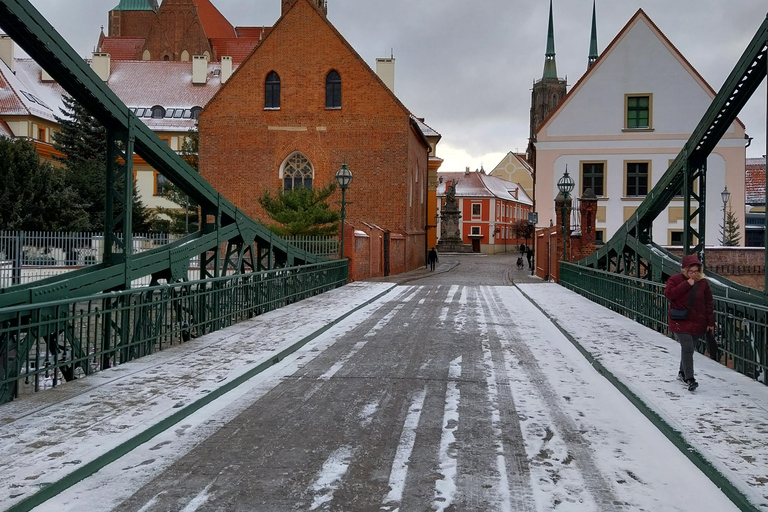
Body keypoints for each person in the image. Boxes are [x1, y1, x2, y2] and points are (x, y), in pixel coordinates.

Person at [664, 254, 714, 392]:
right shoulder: (675, 279)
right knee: (687, 346)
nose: (694, 274)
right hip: (680, 320)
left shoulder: (703, 283)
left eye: (696, 271)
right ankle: (689, 379)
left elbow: (709, 302)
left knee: (690, 349)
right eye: (691, 271)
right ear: (685, 270)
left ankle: (681, 373)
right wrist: (686, 284)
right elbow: (669, 294)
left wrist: (710, 322)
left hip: (698, 321)